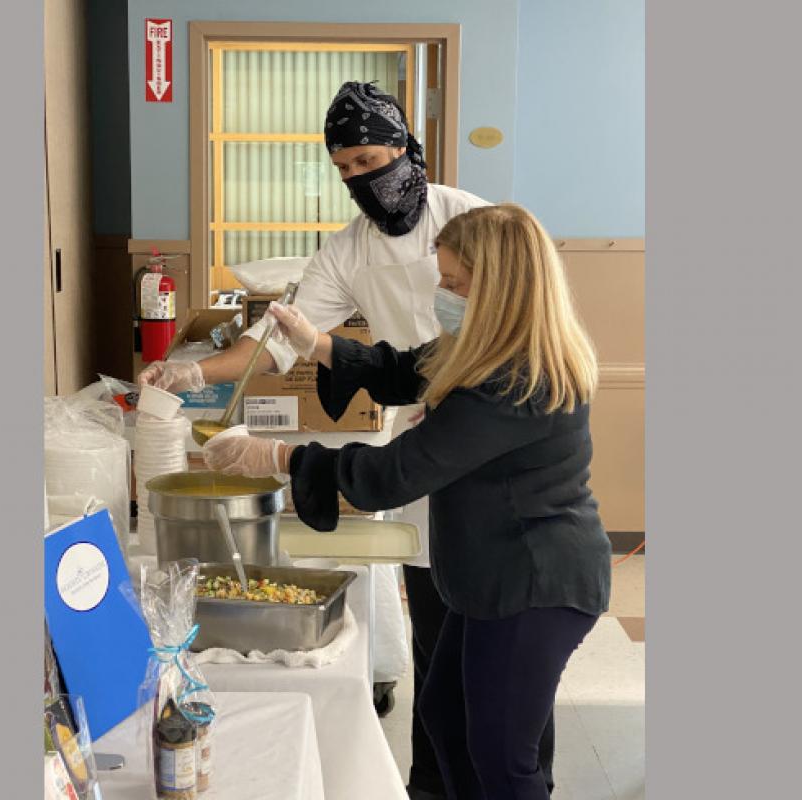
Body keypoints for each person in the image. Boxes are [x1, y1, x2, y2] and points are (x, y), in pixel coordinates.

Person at [140, 81, 551, 799]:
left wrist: (277, 456)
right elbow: (315, 354)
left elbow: (388, 465)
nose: (361, 181)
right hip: (427, 421)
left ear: (405, 150)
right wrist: (197, 370)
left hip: (495, 465)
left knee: (504, 705)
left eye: (368, 160)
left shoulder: (473, 224)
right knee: (441, 658)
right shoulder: (348, 252)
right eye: (345, 171)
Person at [204, 203, 612, 800]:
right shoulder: (479, 350)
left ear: (501, 289)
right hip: (488, 573)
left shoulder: (517, 382)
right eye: (442, 279)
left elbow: (395, 473)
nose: (444, 295)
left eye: (455, 284)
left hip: (535, 584)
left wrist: (277, 457)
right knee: (446, 718)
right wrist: (317, 342)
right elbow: (403, 368)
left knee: (504, 759)